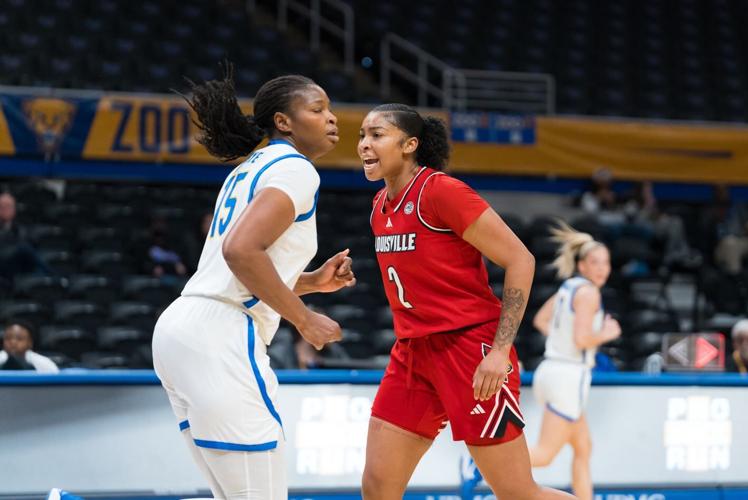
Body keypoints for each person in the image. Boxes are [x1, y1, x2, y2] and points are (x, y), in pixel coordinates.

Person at [152, 64, 355, 500]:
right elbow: (241, 252)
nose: (332, 118)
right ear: (284, 121)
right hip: (220, 335)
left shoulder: (250, 167)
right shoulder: (297, 169)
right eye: (318, 109)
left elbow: (236, 270)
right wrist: (304, 319)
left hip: (183, 328)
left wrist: (311, 282)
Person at [358, 104, 574, 500]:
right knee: (377, 486)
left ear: (409, 145)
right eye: (362, 136)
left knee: (516, 491)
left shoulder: (441, 191)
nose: (364, 145)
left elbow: (520, 259)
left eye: (376, 135)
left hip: (469, 351)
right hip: (413, 352)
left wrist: (500, 351)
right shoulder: (378, 207)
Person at [528, 222, 622, 500]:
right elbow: (582, 339)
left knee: (583, 447)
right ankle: (482, 466)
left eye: (606, 263)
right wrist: (606, 333)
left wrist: (564, 339)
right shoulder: (589, 293)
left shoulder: (568, 287)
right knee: (544, 455)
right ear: (582, 265)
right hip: (567, 377)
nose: (602, 269)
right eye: (595, 262)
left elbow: (540, 320)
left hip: (550, 371)